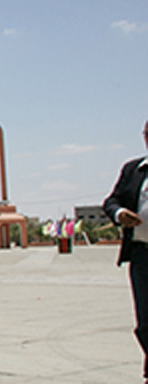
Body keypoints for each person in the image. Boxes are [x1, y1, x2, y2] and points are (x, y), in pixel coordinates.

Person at [103, 119, 148, 383]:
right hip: (143, 255)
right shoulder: (134, 170)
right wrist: (119, 214)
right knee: (146, 322)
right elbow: (112, 200)